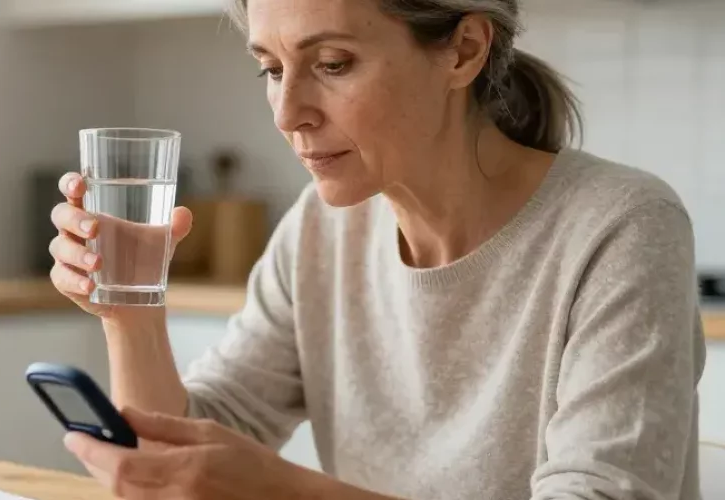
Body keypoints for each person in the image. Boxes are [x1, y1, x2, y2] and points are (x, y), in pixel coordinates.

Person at [47, 0, 706, 498]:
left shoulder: (621, 226)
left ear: (464, 50)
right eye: (271, 70)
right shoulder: (321, 227)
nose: (286, 113)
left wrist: (285, 490)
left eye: (332, 64)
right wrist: (129, 309)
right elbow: (181, 450)